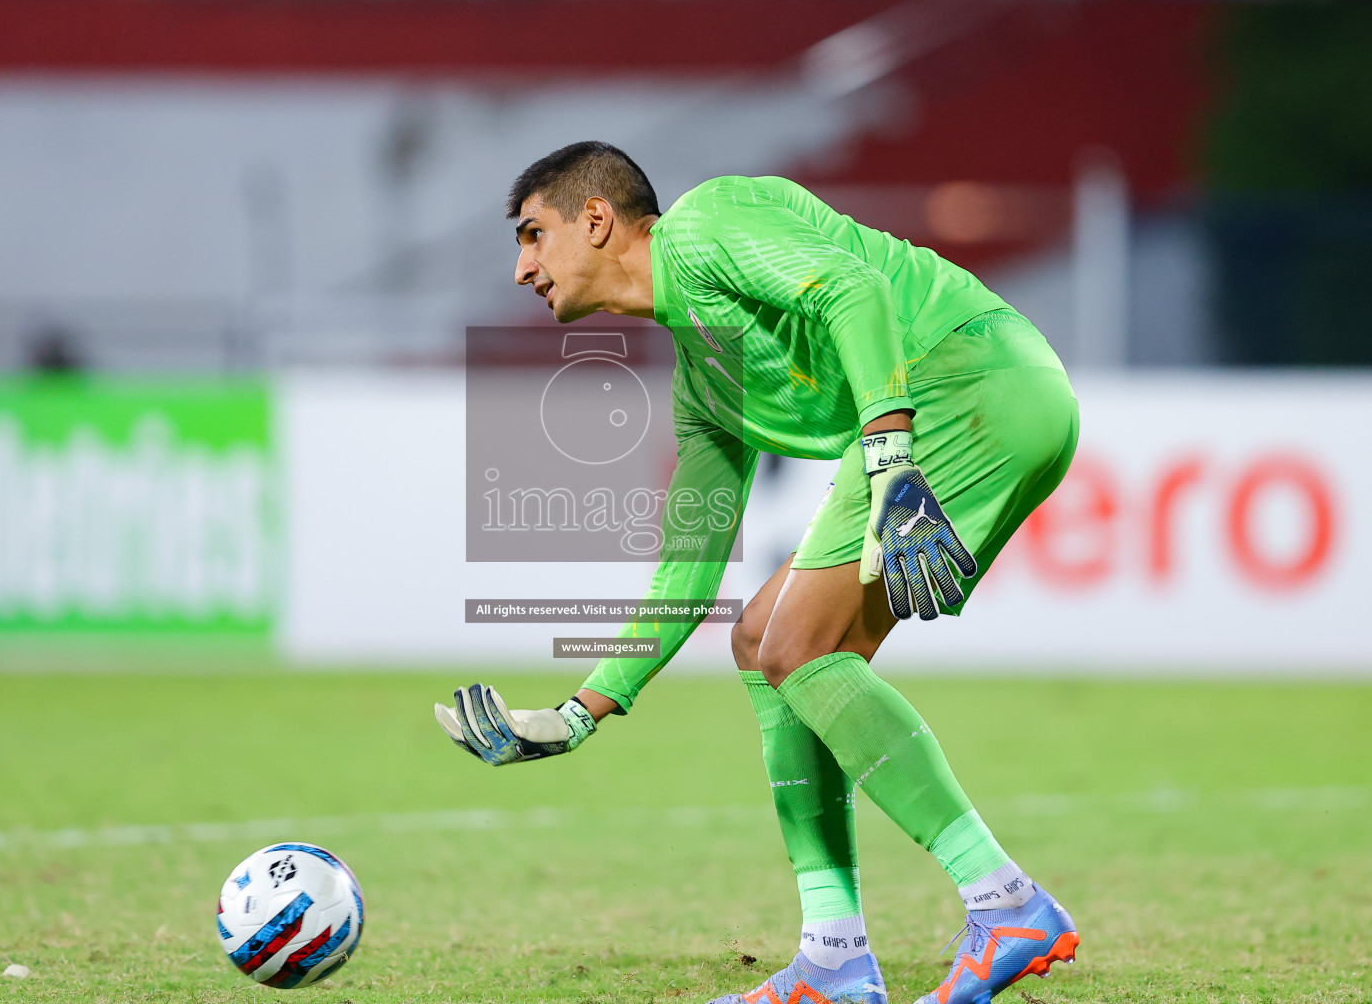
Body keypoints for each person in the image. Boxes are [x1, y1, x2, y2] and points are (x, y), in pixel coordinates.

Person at [434, 141, 1081, 1004]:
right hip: (994, 395)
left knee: (800, 647)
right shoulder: (707, 385)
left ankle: (1003, 902)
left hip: (962, 376)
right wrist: (579, 711)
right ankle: (834, 956)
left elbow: (859, 288)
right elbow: (686, 574)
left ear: (595, 220)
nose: (521, 268)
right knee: (761, 641)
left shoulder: (707, 224)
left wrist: (888, 457)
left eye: (532, 234)